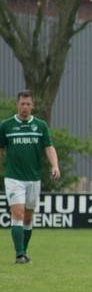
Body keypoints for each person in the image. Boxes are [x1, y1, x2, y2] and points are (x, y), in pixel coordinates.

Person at [1, 91, 60, 264]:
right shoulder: (6, 126)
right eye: (22, 104)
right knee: (18, 213)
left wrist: (55, 165)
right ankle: (19, 254)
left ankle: (24, 251)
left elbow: (49, 147)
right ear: (17, 104)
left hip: (33, 178)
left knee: (28, 217)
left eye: (28, 104)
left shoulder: (40, 126)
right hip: (13, 177)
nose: (25, 107)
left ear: (32, 106)